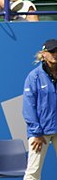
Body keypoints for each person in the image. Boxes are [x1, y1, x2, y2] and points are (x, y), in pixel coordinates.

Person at [23, 39, 57, 180]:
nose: (55, 54)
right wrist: (36, 133)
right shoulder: (34, 77)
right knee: (33, 172)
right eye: (52, 51)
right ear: (43, 54)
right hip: (39, 133)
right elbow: (28, 107)